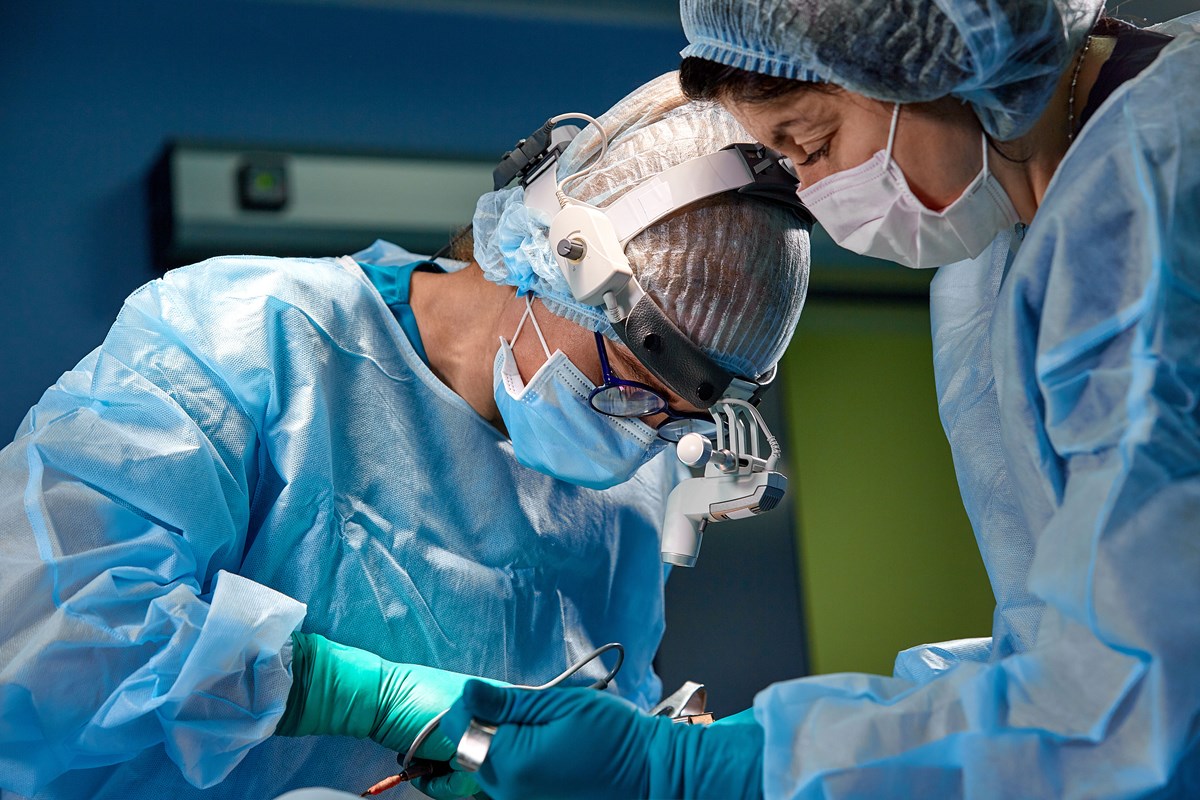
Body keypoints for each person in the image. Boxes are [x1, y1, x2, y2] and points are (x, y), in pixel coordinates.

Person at [438, 2, 1200, 798]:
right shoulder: (1001, 261)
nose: (819, 193)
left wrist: (704, 770)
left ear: (933, 57)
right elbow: (1062, 658)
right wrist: (778, 741)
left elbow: (1141, 702)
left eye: (812, 143)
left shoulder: (1154, 199)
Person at [0, 72, 811, 800]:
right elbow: (48, 633)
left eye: (682, 413)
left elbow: (601, 709)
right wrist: (339, 690)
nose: (651, 436)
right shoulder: (247, 339)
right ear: (554, 260)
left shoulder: (631, 489)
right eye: (640, 379)